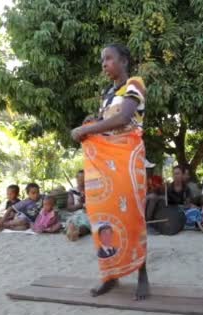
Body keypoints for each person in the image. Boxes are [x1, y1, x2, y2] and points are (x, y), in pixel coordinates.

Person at [71, 43, 148, 300]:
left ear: (123, 60)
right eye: (102, 60)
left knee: (132, 215)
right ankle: (111, 275)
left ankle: (142, 276)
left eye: (109, 59)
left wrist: (87, 130)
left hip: (127, 160)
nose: (104, 64)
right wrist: (89, 127)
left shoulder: (134, 84)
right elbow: (104, 127)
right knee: (104, 216)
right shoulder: (107, 93)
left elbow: (123, 119)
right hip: (106, 164)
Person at [65, 170, 91, 241]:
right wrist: (81, 204)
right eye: (80, 179)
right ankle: (73, 229)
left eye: (84, 179)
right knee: (76, 221)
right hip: (76, 213)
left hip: (87, 214)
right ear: (76, 179)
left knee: (86, 225)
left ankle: (77, 232)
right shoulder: (72, 191)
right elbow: (69, 208)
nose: (82, 182)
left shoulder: (91, 190)